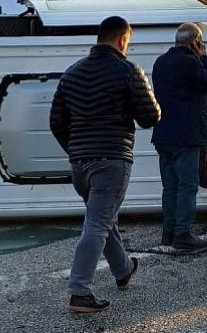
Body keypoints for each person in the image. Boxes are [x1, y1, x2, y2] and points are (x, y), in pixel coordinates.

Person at [50, 16, 161, 313]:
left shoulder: (71, 73)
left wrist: (76, 150)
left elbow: (56, 121)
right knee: (98, 223)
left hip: (80, 164)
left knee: (103, 218)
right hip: (111, 160)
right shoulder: (127, 70)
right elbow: (150, 117)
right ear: (123, 39)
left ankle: (123, 269)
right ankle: (79, 292)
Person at [151, 22, 207, 250]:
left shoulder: (160, 62)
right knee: (188, 186)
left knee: (169, 187)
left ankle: (168, 232)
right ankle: (183, 234)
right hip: (186, 135)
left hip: (163, 134)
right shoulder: (192, 63)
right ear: (196, 41)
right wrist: (205, 58)